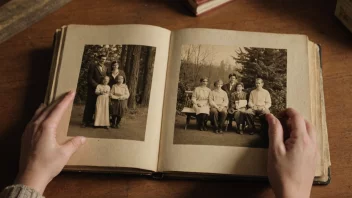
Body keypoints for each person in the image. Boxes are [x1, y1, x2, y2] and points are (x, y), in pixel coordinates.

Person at [0, 90, 318, 198]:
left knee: (230, 110)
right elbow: (202, 97)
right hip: (216, 105)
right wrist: (295, 193)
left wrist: (30, 177)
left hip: (242, 107)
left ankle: (227, 127)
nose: (214, 86)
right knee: (222, 109)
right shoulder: (213, 91)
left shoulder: (238, 91)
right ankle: (222, 127)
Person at [81, 54, 108, 128]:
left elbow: (105, 79)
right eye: (102, 59)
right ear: (99, 59)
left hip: (101, 90)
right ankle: (85, 121)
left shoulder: (105, 68)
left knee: (98, 105)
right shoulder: (93, 66)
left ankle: (95, 121)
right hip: (92, 89)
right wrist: (97, 86)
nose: (103, 60)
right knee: (90, 105)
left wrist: (103, 87)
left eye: (105, 59)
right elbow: (89, 78)